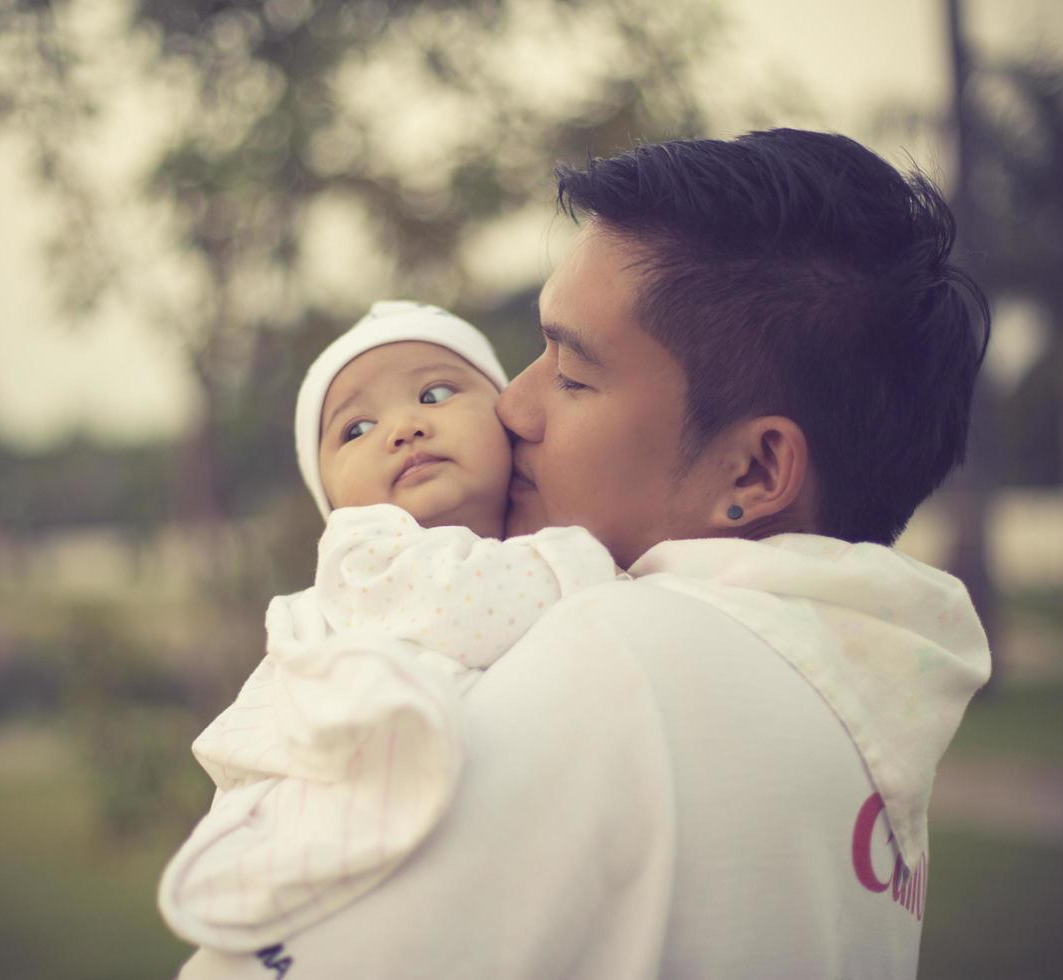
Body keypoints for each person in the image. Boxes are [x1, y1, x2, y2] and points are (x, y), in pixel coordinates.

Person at [174, 129, 993, 980]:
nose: (513, 407)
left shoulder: (622, 660)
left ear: (751, 469)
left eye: (572, 374)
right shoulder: (864, 674)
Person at [159, 301, 620, 951]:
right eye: (356, 429)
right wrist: (595, 561)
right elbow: (463, 605)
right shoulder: (363, 553)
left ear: (507, 420)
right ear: (329, 498)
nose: (403, 428)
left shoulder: (517, 547)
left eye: (435, 394)